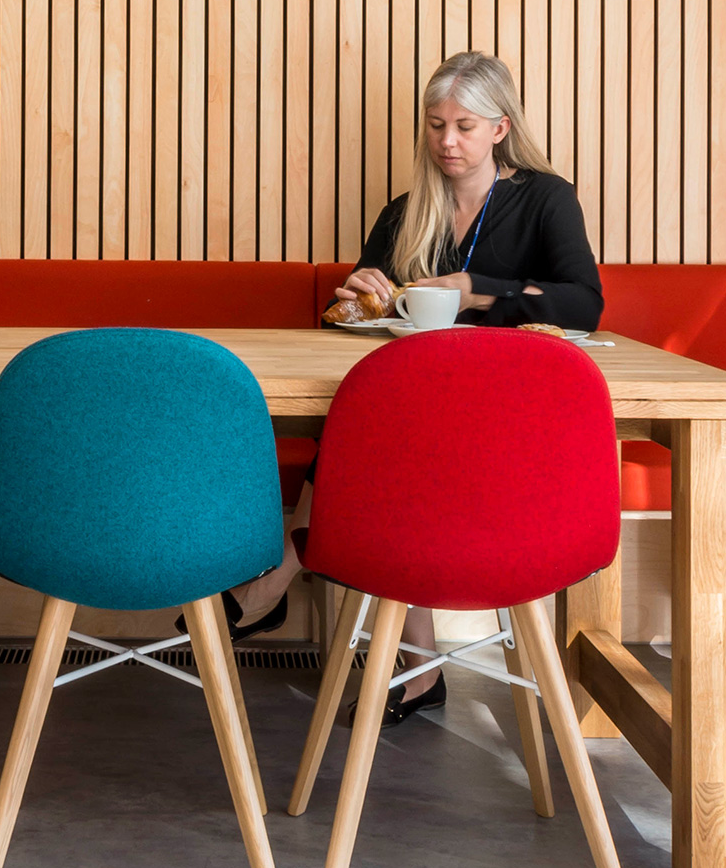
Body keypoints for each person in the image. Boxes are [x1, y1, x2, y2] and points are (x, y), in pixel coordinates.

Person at [219, 50, 603, 726]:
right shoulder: (405, 212)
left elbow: (582, 304)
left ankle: (278, 575)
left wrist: (477, 291)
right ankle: (417, 666)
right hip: (423, 409)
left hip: (510, 418)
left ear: (499, 127)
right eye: (434, 125)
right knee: (378, 429)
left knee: (379, 441)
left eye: (462, 125)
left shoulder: (543, 197)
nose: (446, 142)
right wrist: (357, 294)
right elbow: (347, 322)